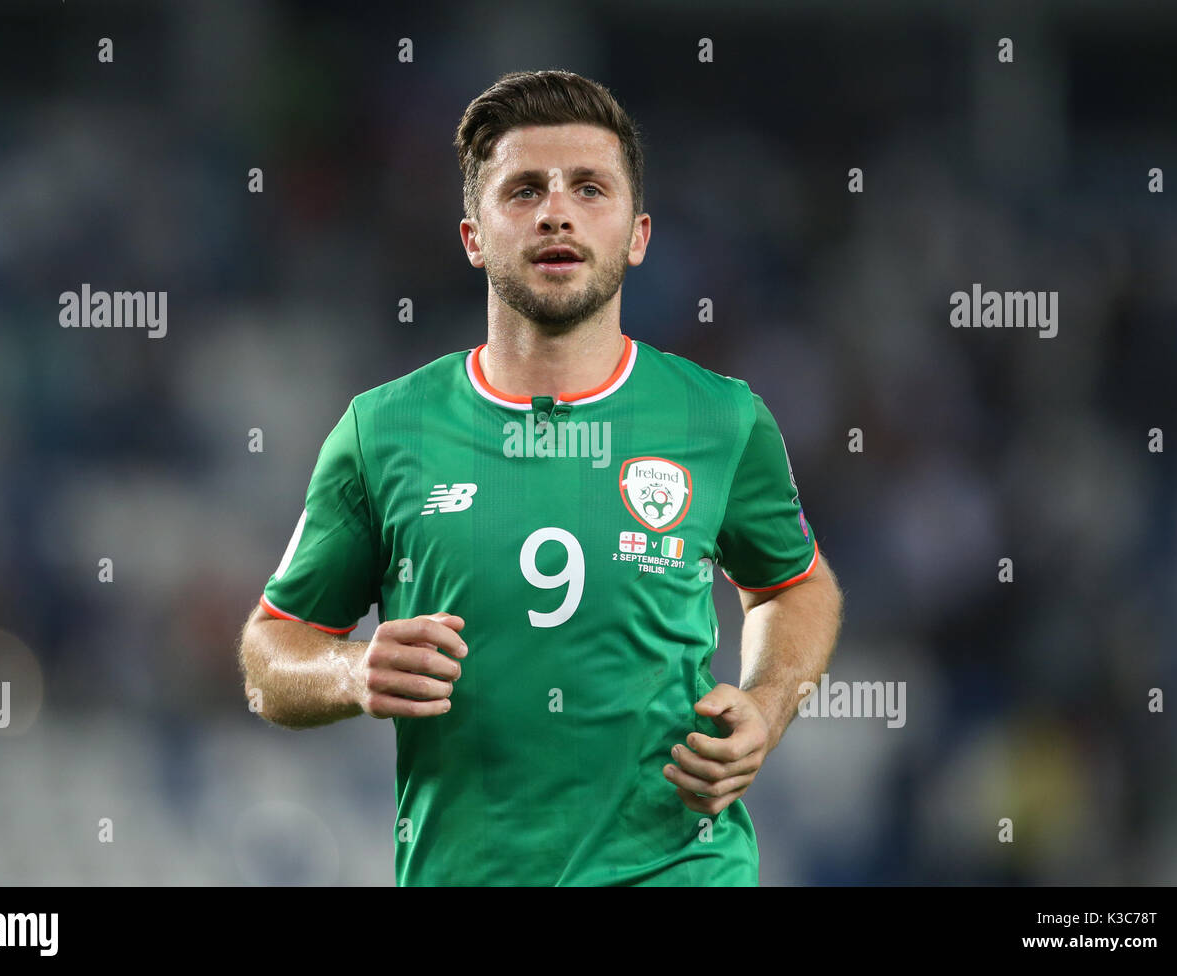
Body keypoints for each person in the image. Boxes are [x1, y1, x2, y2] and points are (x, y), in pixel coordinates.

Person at [238, 69, 844, 886]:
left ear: (637, 233)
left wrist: (765, 709)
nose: (556, 210)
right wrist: (352, 669)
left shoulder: (721, 419)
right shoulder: (384, 430)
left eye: (590, 188)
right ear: (473, 236)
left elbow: (794, 587)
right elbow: (270, 654)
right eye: (523, 190)